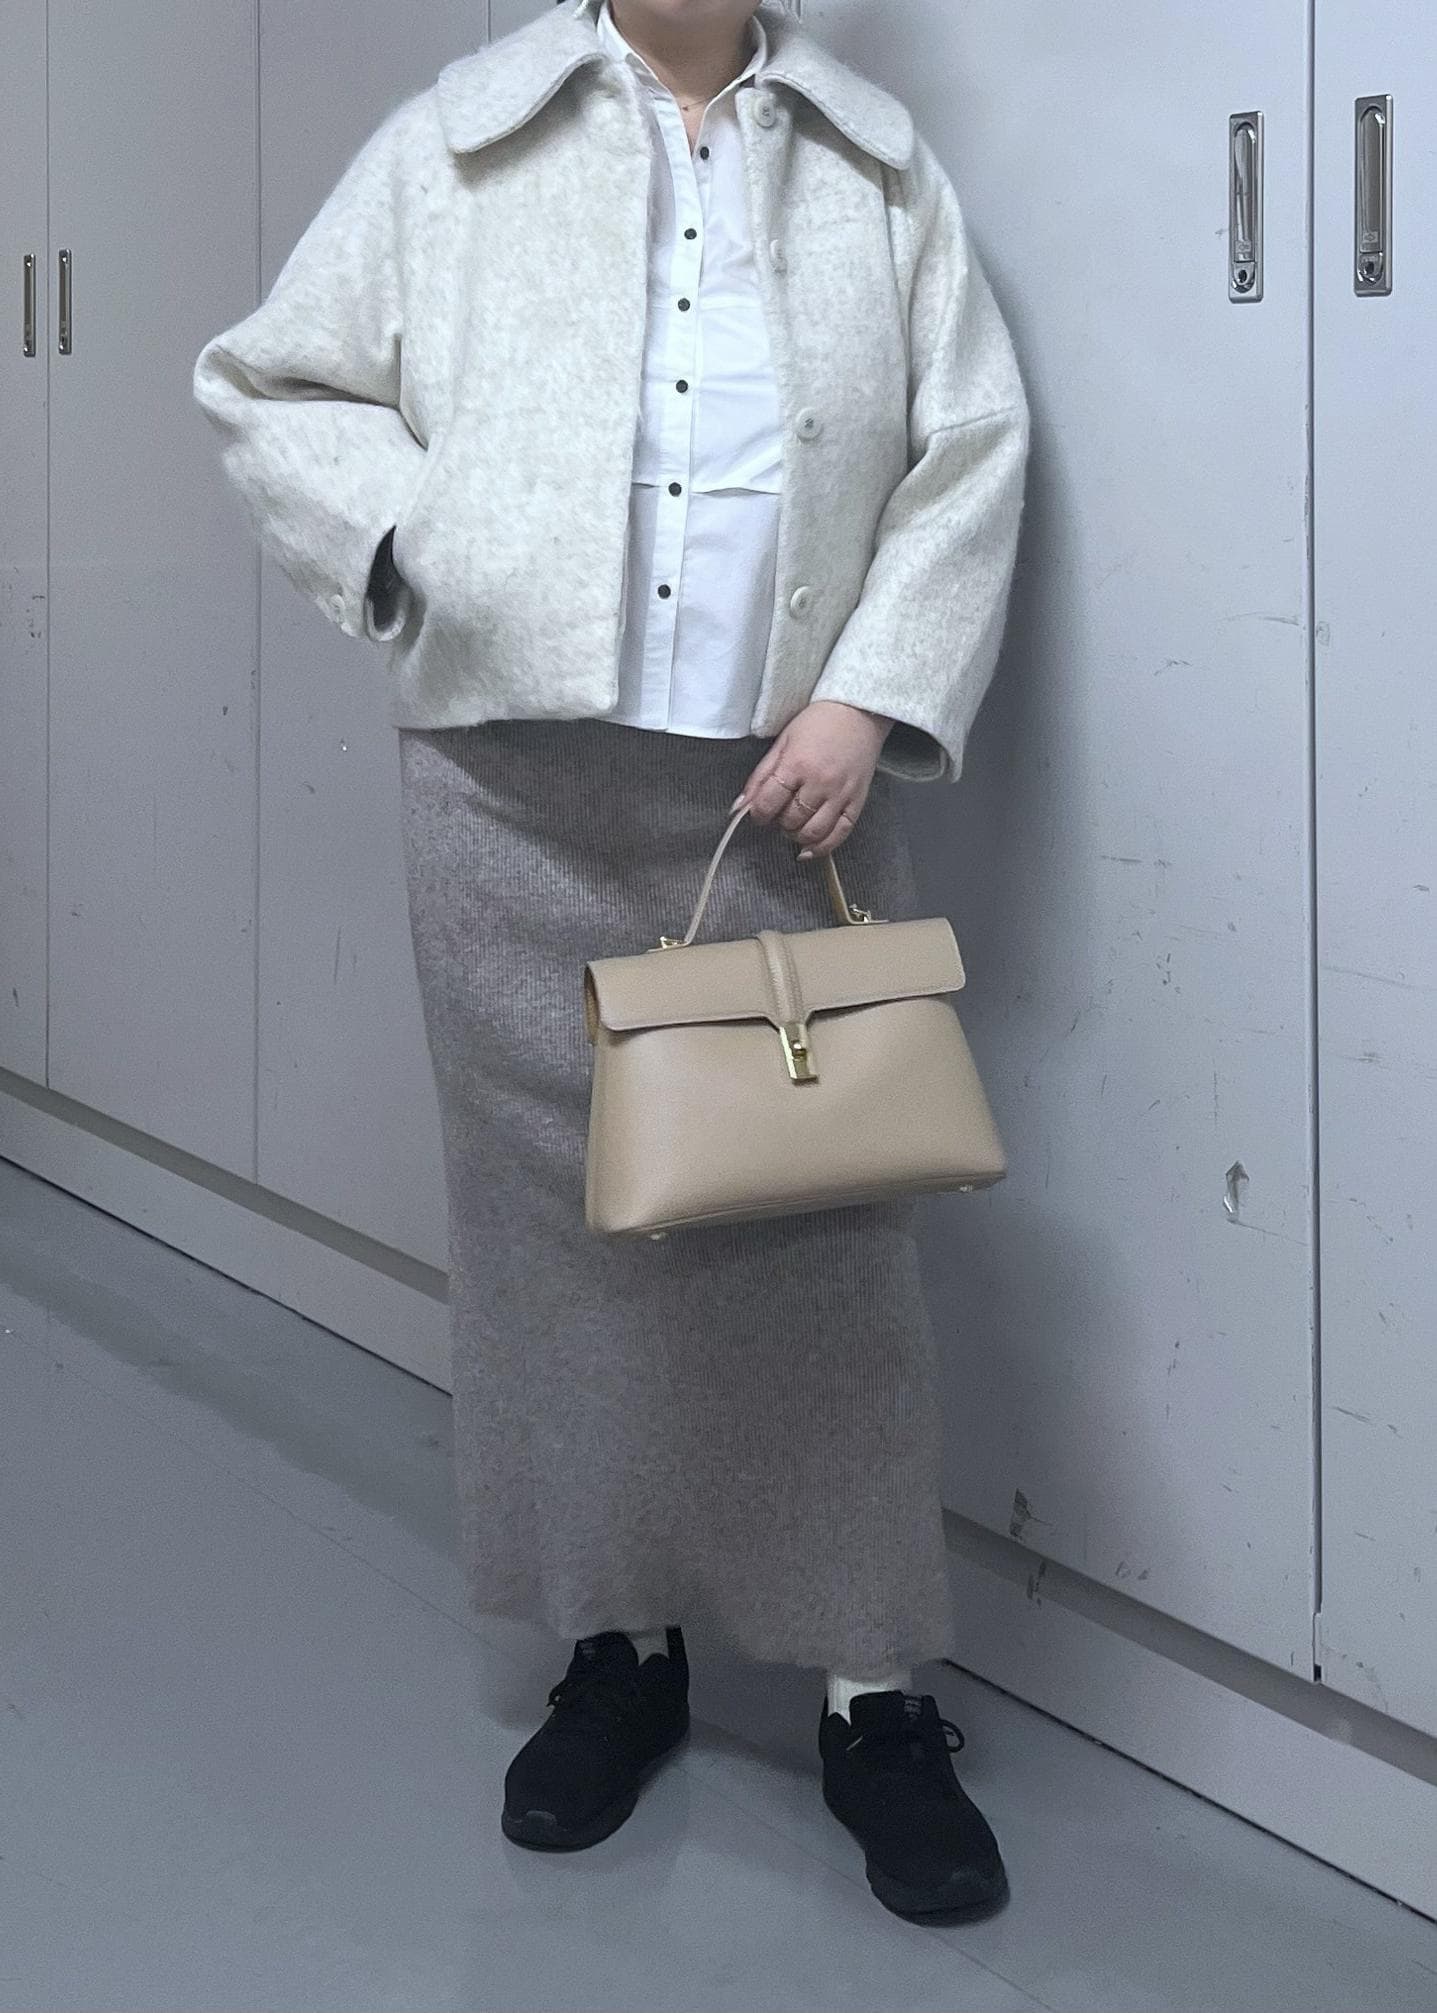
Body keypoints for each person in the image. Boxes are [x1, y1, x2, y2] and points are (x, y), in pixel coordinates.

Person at [193, 0, 1029, 1924]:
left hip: (787, 790)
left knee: (823, 1241)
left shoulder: (871, 156)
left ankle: (875, 1694)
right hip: (513, 786)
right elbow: (270, 382)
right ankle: (615, 1646)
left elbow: (969, 443)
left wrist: (871, 694)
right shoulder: (457, 136)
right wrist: (426, 534)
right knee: (554, 1239)